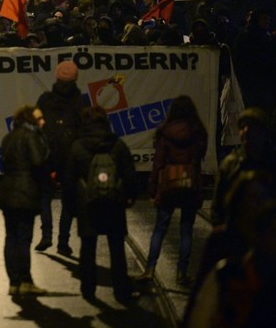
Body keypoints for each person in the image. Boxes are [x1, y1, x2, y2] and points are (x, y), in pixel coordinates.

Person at [65, 105, 138, 304]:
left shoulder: (78, 146)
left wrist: (71, 207)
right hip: (113, 203)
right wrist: (129, 197)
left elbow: (69, 179)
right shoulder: (117, 145)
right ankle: (121, 291)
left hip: (87, 204)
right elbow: (130, 174)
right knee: (117, 248)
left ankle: (88, 290)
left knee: (88, 248)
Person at [137, 95, 207, 285]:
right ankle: (182, 273)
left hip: (169, 183)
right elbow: (200, 157)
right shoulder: (198, 131)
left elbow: (158, 163)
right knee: (186, 230)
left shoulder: (165, 132)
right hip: (190, 184)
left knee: (160, 228)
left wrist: (152, 188)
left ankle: (150, 269)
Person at [35, 60, 88, 255]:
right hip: (71, 158)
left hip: (47, 155)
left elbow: (35, 127)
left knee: (44, 197)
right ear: (75, 78)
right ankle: (63, 242)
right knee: (69, 201)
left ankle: (46, 235)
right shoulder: (81, 102)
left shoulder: (45, 100)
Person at [0, 105, 50, 296]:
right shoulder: (32, 136)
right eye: (39, 118)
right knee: (24, 239)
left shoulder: (8, 137)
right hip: (26, 191)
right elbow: (38, 161)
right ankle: (26, 281)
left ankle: (14, 282)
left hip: (7, 191)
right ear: (30, 120)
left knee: (11, 237)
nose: (43, 122)